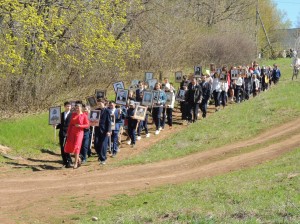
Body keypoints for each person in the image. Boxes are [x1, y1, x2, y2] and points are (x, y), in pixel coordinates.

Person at [64, 103, 89, 169]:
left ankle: (75, 163)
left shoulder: (84, 115)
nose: (77, 109)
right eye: (76, 108)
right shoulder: (73, 115)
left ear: (81, 108)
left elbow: (87, 125)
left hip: (80, 132)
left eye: (78, 108)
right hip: (72, 132)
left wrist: (80, 126)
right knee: (72, 147)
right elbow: (70, 125)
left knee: (77, 147)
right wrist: (68, 132)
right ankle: (79, 159)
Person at [55, 101, 72, 168]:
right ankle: (64, 162)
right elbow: (60, 124)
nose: (68, 107)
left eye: (69, 106)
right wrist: (56, 126)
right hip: (62, 133)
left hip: (69, 133)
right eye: (67, 106)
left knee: (67, 147)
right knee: (62, 147)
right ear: (64, 107)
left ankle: (69, 161)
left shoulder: (72, 114)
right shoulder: (61, 114)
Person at [94, 99, 112, 165]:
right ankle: (100, 154)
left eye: (100, 103)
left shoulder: (107, 111)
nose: (99, 104)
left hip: (105, 130)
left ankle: (103, 159)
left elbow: (109, 121)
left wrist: (109, 130)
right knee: (96, 144)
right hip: (97, 130)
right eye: (98, 103)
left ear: (104, 103)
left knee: (103, 145)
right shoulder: (96, 110)